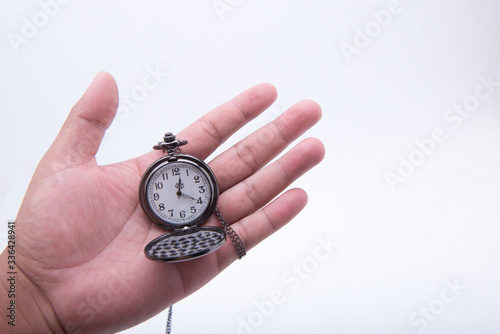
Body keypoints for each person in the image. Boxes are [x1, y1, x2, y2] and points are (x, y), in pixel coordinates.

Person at [0, 72, 325, 333]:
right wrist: (26, 283)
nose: (183, 194)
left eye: (190, 190)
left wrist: (30, 297)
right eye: (169, 193)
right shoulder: (165, 177)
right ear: (153, 194)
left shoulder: (188, 177)